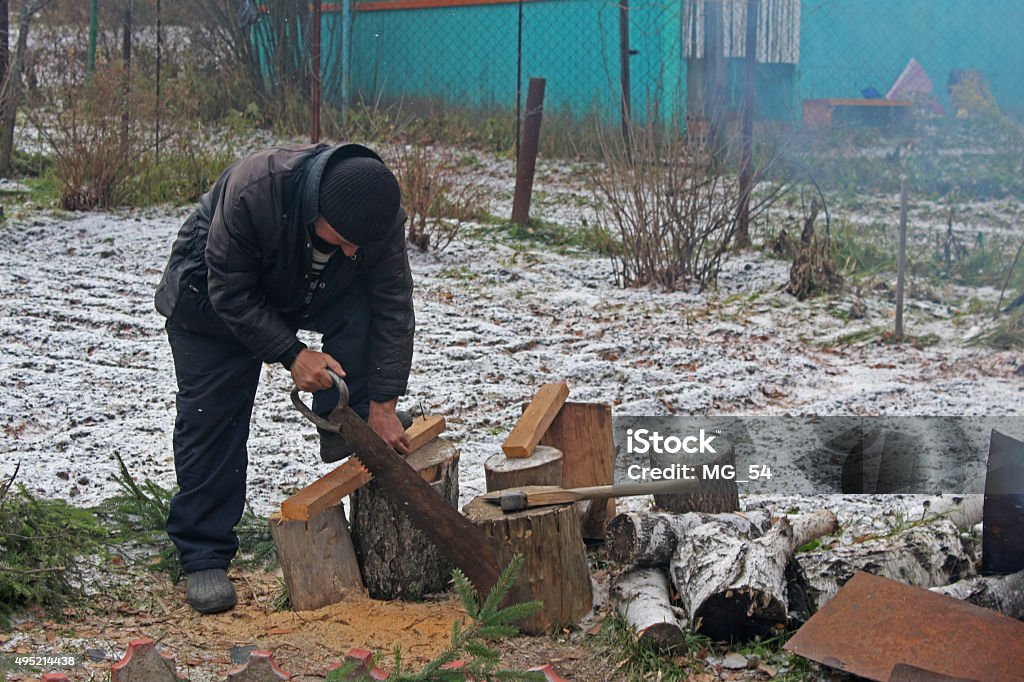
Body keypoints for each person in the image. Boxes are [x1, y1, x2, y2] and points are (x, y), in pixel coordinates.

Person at [154, 143, 414, 614]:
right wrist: (292, 354)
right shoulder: (258, 191)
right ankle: (203, 552)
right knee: (214, 417)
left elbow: (392, 304)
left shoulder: (377, 216)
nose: (355, 249)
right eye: (344, 237)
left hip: (296, 286)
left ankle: (348, 425)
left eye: (362, 243)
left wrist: (384, 405)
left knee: (364, 309)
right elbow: (230, 291)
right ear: (319, 209)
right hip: (210, 299)